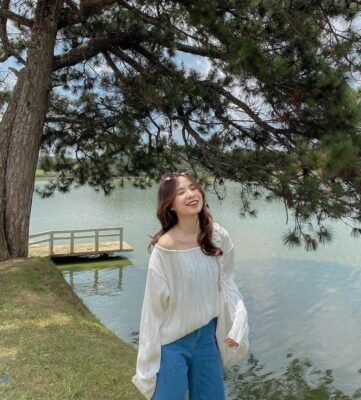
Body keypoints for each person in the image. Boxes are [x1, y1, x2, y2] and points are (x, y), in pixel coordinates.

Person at [132, 171, 249, 400]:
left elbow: (227, 282)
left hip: (207, 339)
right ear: (170, 205)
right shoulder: (164, 249)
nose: (191, 194)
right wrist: (146, 367)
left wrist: (237, 322)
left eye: (193, 187)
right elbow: (152, 312)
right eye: (180, 192)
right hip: (172, 344)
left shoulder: (217, 236)